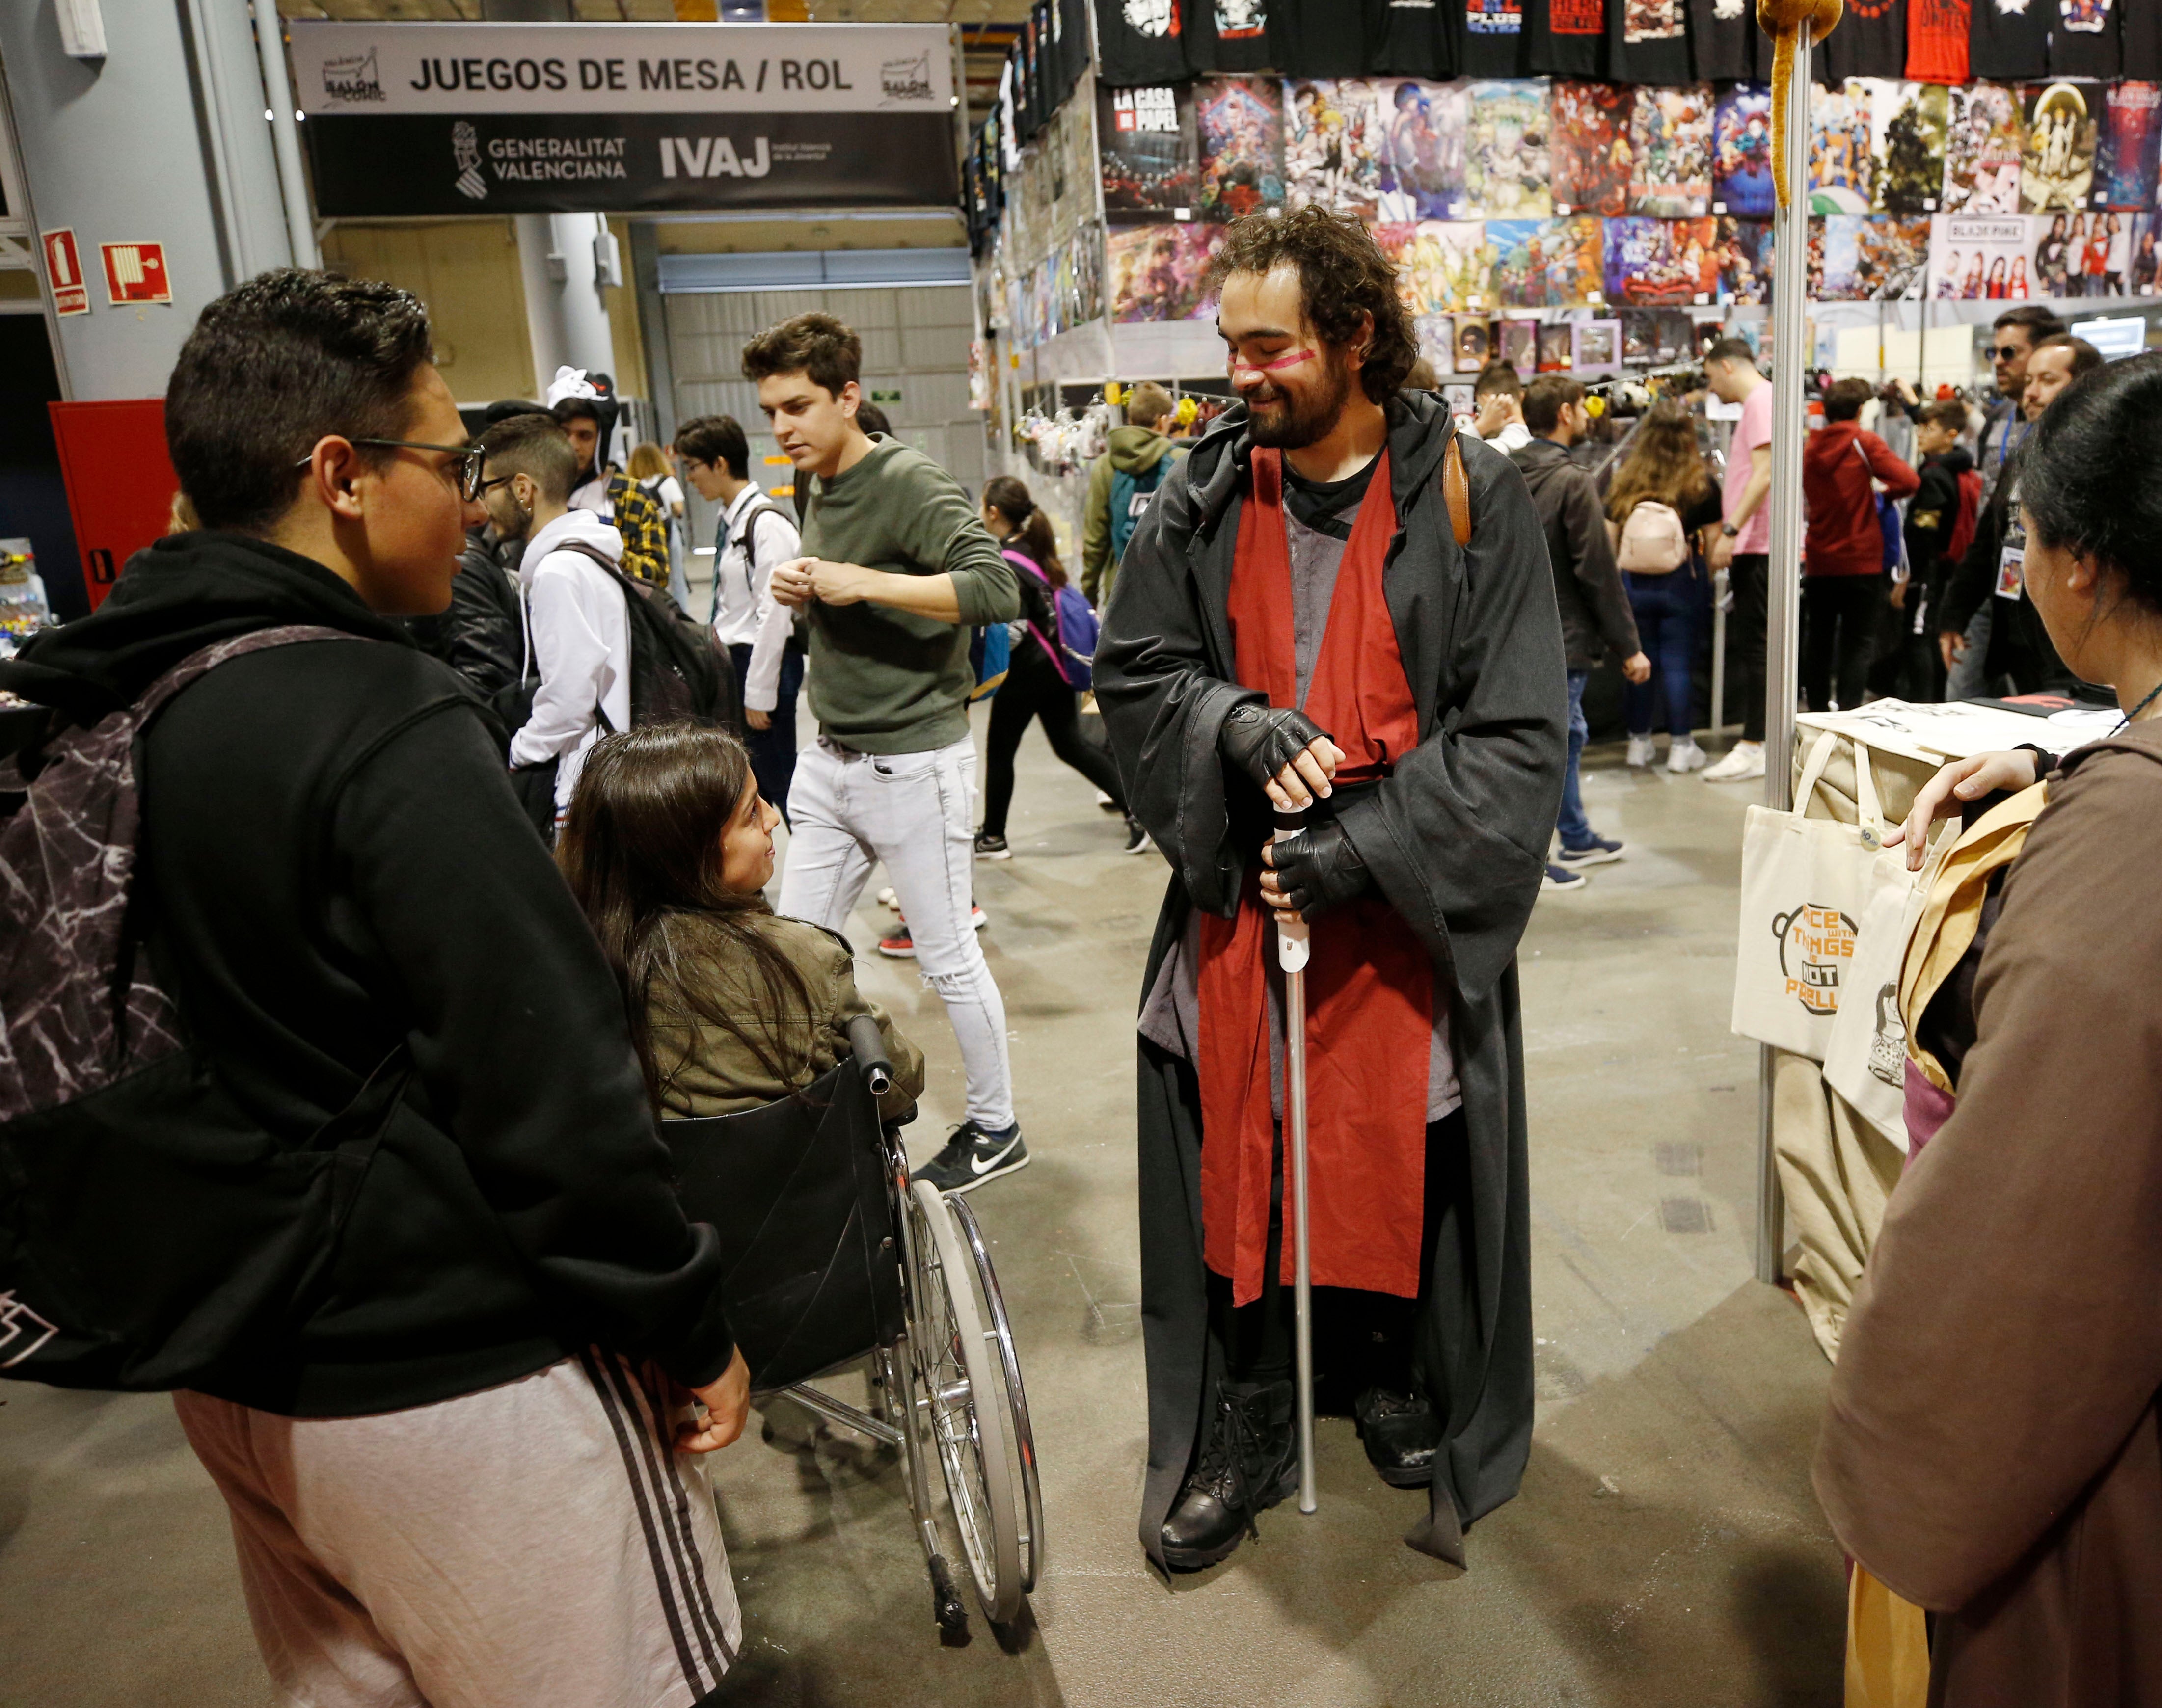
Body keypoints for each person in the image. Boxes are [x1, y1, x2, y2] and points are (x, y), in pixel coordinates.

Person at [0, 270, 748, 1707]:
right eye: (446, 465)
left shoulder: (121, 693)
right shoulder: (379, 713)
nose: (469, 504)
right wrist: (684, 1315)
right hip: (447, 1365)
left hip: (237, 1366)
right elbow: (548, 1078)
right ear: (339, 476)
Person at [1096, 206, 1567, 1573]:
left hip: (1400, 914)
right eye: (1228, 344)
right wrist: (1230, 725)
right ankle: (1244, 1408)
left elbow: (1518, 731)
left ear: (1354, 340)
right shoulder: (1196, 493)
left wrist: (1358, 850)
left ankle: (1386, 1370)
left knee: (1402, 1142)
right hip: (1240, 905)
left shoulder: (1470, 501)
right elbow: (1132, 672)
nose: (1238, 373)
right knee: (1243, 1143)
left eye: (1269, 346)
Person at [1816, 351, 2162, 1704]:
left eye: (2023, 537)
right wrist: (2061, 758)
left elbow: (2028, 1234)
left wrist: (1892, 1435)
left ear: (2075, 565)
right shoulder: (2116, 779)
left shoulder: (2130, 831)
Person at [742, 311, 1028, 1194]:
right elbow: (835, 588)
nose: (782, 427)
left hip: (915, 766)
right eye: (771, 412)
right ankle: (825, 1115)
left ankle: (996, 1129)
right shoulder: (809, 484)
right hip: (827, 762)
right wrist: (800, 586)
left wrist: (858, 582)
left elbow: (997, 587)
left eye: (797, 406)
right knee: (796, 951)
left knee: (946, 959)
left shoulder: (907, 479)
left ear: (848, 398)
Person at [557, 721, 924, 1126]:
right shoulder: (806, 961)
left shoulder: (559, 973)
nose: (772, 819)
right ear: (688, 850)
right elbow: (899, 1086)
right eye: (752, 811)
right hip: (790, 1185)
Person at [1513, 375, 1651, 889]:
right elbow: (1597, 571)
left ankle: (1573, 833)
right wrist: (1629, 647)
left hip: (1514, 634)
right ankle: (1537, 855)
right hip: (1564, 636)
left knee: (1560, 739)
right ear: (1567, 414)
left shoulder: (1504, 470)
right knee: (1558, 745)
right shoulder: (1573, 481)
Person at [974, 474, 1146, 859]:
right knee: (1070, 745)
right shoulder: (1033, 550)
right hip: (1055, 666)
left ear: (994, 512)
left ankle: (993, 837)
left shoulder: (1007, 561)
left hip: (1026, 674)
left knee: (1000, 750)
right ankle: (1138, 813)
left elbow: (1014, 630)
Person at [481, 412, 635, 832]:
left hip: (587, 786)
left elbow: (569, 699)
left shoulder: (557, 572)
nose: (481, 505)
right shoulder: (589, 555)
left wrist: (517, 753)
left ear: (522, 489)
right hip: (613, 774)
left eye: (486, 488)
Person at [1935, 335, 2103, 698]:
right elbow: (1988, 540)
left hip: (2079, 638)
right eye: (2029, 381)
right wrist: (1954, 616)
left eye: (2048, 380)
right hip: (2015, 624)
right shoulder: (2025, 455)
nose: (2032, 393)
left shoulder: (2104, 459)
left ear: (2086, 385)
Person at [674, 413, 803, 823]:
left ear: (720, 464)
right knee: (749, 789)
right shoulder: (730, 521)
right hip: (735, 666)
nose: (690, 479)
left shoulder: (766, 526)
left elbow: (775, 615)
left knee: (786, 788)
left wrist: (759, 693)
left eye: (693, 467)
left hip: (761, 666)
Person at [1951, 307, 2066, 697]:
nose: (1998, 362)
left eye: (2009, 352)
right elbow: (1991, 512)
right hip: (1998, 577)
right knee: (1966, 694)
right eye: (1994, 352)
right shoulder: (1997, 419)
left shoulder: (2073, 429)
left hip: (2048, 587)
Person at [1603, 399, 1721, 772]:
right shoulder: (1701, 484)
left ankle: (1638, 743)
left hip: (1633, 585)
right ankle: (1681, 747)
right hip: (1682, 583)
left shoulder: (1625, 481)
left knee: (1637, 662)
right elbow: (1716, 548)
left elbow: (1608, 540)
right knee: (1677, 663)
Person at [1799, 377, 1919, 714]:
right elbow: (1909, 480)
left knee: (1818, 641)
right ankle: (1850, 714)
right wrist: (1880, 495)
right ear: (1860, 408)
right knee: (1858, 642)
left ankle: (1818, 712)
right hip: (1862, 558)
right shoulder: (1863, 442)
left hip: (1821, 558)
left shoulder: (1810, 448)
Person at [1703, 338, 1774, 780]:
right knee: (1757, 645)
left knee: (1759, 647)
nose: (1711, 388)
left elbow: (1765, 472)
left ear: (1726, 366)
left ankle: (1755, 743)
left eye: (1711, 376)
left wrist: (1730, 531)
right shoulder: (1762, 402)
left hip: (1758, 543)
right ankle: (1756, 741)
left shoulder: (1761, 401)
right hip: (1755, 542)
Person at [548, 373, 671, 592]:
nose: (572, 445)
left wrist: (608, 550)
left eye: (584, 436)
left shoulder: (633, 496)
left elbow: (659, 576)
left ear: (601, 441)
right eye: (564, 433)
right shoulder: (537, 491)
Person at [1900, 398, 1980, 704]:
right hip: (1946, 570)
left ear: (1950, 435)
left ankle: (1924, 704)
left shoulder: (1934, 475)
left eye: (1929, 429)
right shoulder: (1959, 468)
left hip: (1930, 573)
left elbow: (1924, 534)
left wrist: (1910, 577)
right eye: (1920, 427)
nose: (1921, 434)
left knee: (1921, 637)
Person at [1081, 379, 1181, 610]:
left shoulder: (1106, 466)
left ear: (1131, 418)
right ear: (1163, 420)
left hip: (1121, 591)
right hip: (1173, 591)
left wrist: (1088, 591)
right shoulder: (1181, 461)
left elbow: (1095, 539)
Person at [628, 439, 691, 609]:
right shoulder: (668, 482)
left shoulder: (633, 485)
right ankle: (681, 615)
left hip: (643, 535)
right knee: (677, 577)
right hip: (668, 531)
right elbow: (679, 509)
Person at [1470, 359, 1531, 452]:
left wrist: (1480, 427)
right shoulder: (1541, 441)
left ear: (1488, 400)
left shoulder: (1491, 451)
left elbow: (1449, 454)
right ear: (1522, 396)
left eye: (1480, 408)